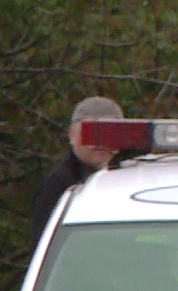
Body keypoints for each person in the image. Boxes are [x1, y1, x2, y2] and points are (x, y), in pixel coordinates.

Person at [29, 96, 123, 251]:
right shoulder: (58, 187)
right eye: (90, 133)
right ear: (72, 135)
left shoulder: (133, 178)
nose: (99, 143)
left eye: (108, 133)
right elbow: (46, 251)